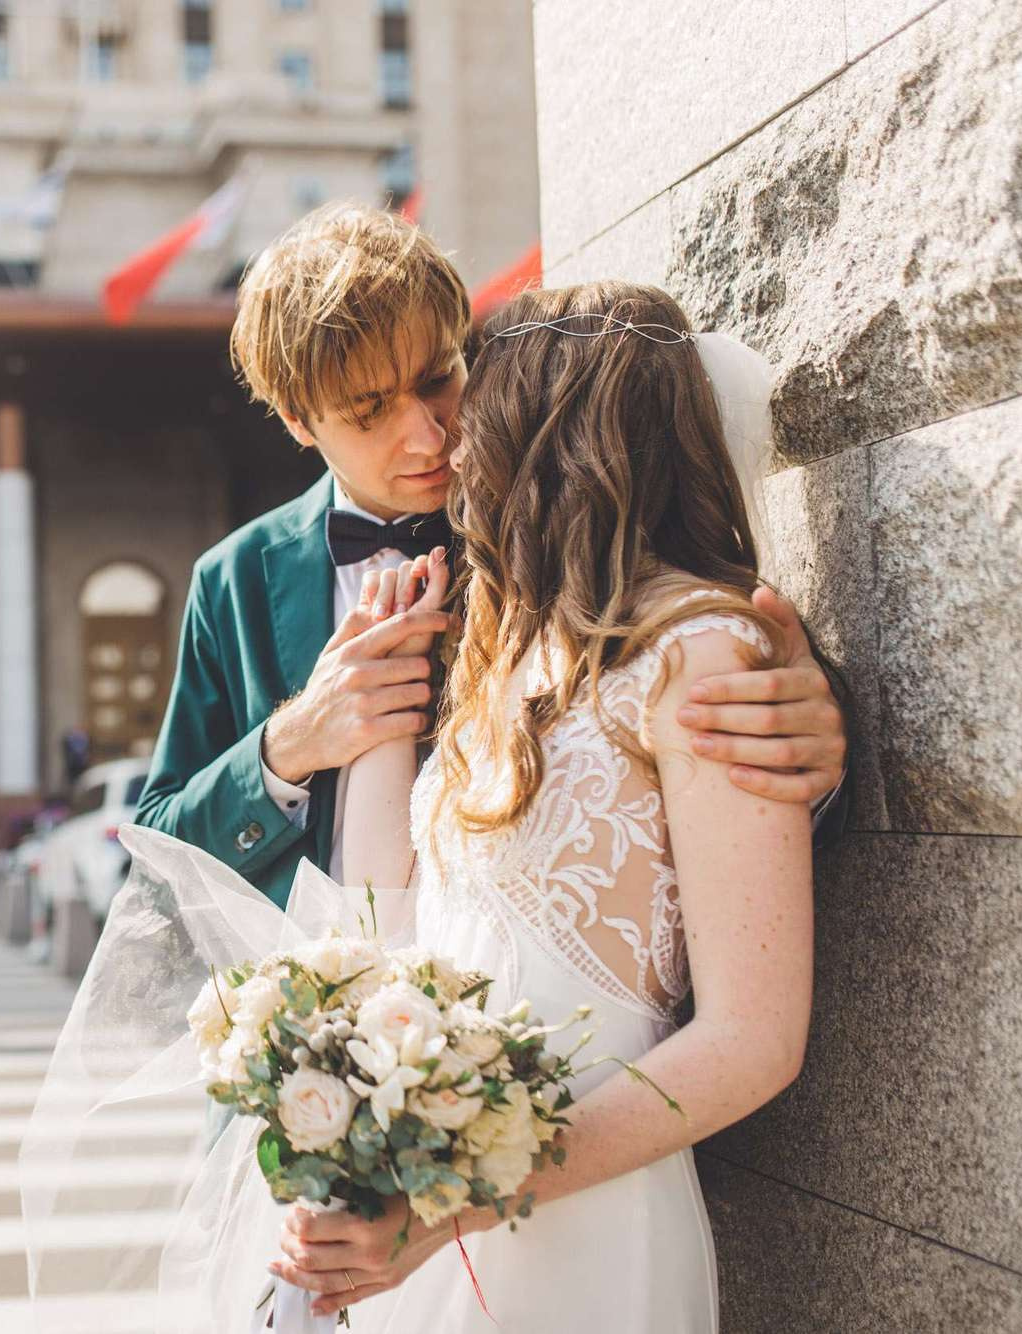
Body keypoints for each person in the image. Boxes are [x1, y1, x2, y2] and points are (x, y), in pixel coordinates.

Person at [264, 283, 815, 1330]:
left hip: (582, 1218)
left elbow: (752, 1038)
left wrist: (464, 1200)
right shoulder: (508, 649)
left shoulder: (702, 652)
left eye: (478, 404)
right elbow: (398, 919)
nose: (450, 442)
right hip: (428, 1224)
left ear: (559, 429)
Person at [133, 203, 850, 909]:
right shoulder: (232, 578)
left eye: (438, 379)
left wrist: (810, 746)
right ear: (297, 421)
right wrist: (289, 744)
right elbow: (159, 846)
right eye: (369, 411)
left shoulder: (559, 517)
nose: (427, 437)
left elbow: (696, 684)